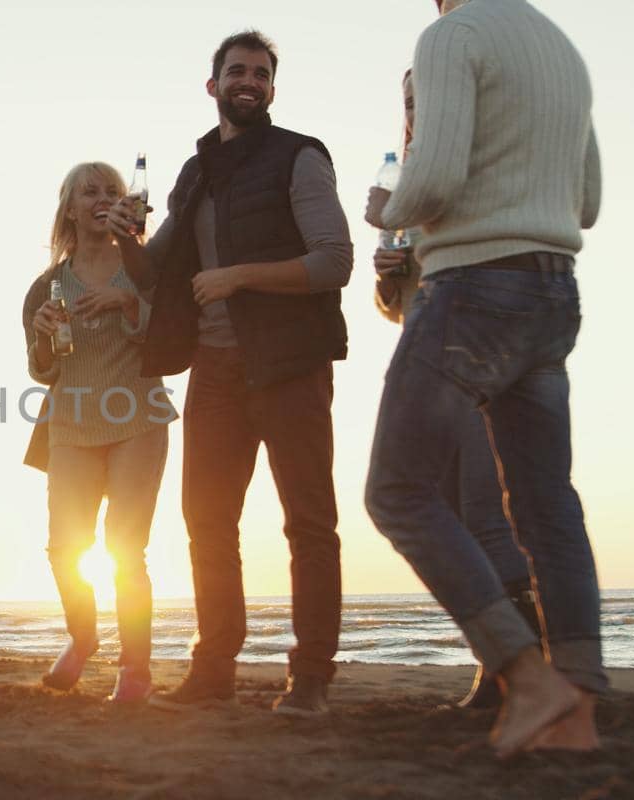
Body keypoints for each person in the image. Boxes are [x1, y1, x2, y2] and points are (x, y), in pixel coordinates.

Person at [363, 0, 603, 756]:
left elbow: (430, 182)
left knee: (398, 490)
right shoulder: (559, 47)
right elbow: (586, 201)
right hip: (554, 288)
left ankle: (524, 678)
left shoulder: (451, 36)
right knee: (545, 504)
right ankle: (578, 709)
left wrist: (389, 211)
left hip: (474, 287)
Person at [106, 31, 354, 717]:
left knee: (308, 524)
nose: (250, 81)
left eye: (263, 73)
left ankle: (310, 679)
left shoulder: (299, 157)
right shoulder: (195, 171)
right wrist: (125, 238)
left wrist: (238, 277)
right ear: (212, 86)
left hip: (290, 365)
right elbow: (156, 273)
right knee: (207, 522)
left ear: (272, 89)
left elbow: (334, 261)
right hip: (213, 370)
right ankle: (213, 672)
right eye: (237, 71)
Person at [372, 70, 537, 711]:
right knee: (449, 515)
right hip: (424, 356)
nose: (416, 109)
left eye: (427, 97)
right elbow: (397, 303)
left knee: (485, 514)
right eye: (407, 99)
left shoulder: (473, 164)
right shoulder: (409, 182)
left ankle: (519, 670)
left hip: (475, 353)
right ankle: (501, 661)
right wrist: (390, 275)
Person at [21, 162, 174, 704]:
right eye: (89, 192)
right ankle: (83, 638)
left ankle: (135, 668)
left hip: (138, 418)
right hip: (71, 425)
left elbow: (169, 340)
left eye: (112, 190)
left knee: (126, 549)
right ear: (69, 208)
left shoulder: (143, 267)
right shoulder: (47, 285)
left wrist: (127, 302)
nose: (102, 199)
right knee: (65, 547)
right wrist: (42, 336)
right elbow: (42, 370)